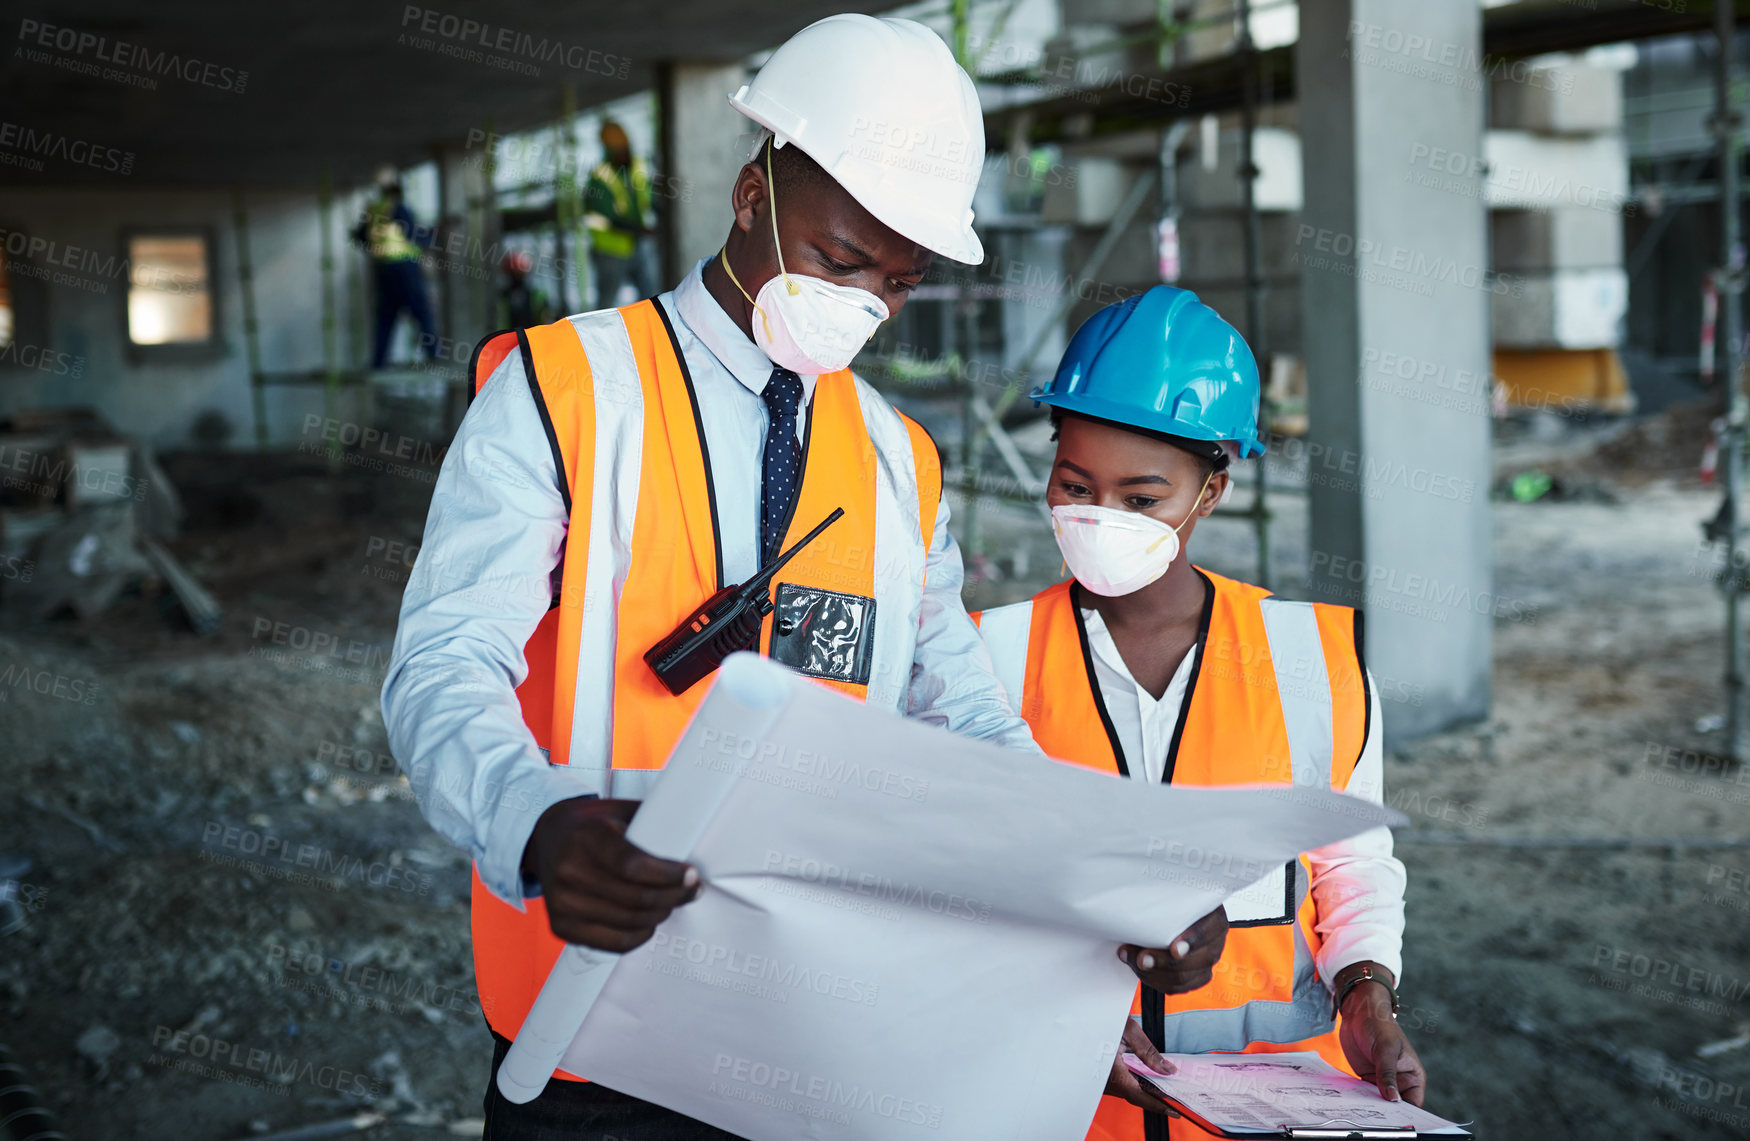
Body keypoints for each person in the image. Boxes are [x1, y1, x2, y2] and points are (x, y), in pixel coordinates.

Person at [381, 17, 1220, 1139]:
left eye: (898, 280)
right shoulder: (562, 389)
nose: (864, 301)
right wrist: (533, 822)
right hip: (594, 1019)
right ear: (749, 195)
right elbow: (443, 663)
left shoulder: (895, 459)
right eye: (836, 260)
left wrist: (1101, 877)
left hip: (821, 1028)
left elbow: (961, 713)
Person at [973, 286, 1424, 1140]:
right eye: (1076, 483)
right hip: (1066, 1113)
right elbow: (962, 889)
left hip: (1271, 1117)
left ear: (1210, 491)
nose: (1101, 516)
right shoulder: (984, 660)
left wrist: (1367, 988)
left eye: (1142, 498)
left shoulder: (1310, 659)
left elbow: (1351, 865)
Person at [354, 164, 439, 369]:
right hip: (405, 268)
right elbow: (413, 235)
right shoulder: (397, 207)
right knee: (421, 312)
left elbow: (360, 236)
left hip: (382, 270)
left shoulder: (374, 209)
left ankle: (378, 362)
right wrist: (433, 236)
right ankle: (434, 357)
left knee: (386, 317)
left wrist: (376, 248)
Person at [584, 120, 659, 307]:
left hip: (636, 245)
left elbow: (647, 199)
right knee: (607, 303)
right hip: (610, 251)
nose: (624, 153)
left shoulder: (637, 168)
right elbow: (606, 218)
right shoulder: (600, 177)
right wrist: (641, 229)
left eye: (625, 148)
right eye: (618, 149)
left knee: (649, 296)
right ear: (608, 151)